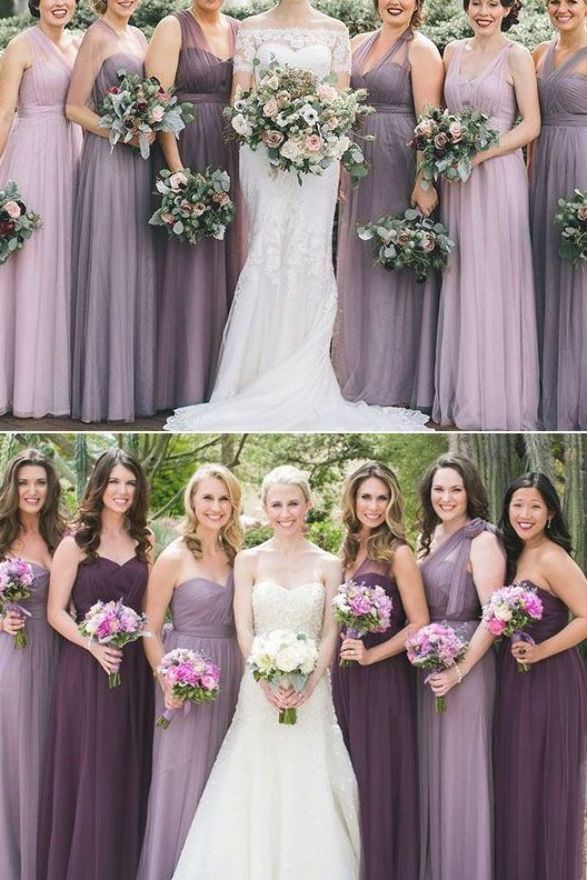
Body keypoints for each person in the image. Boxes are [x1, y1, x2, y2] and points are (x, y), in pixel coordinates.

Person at [164, 0, 431, 432]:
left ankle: (305, 372)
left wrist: (315, 135)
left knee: (308, 256)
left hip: (319, 157)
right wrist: (269, 128)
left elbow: (343, 104)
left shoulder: (336, 29)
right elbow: (239, 100)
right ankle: (253, 374)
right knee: (267, 252)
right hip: (261, 154)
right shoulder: (251, 28)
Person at [172, 466, 360, 879]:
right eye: (277, 504)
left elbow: (331, 632)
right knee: (254, 776)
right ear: (265, 507)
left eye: (294, 503)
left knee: (307, 778)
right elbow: (244, 628)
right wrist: (262, 679)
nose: (285, 512)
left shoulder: (329, 564)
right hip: (260, 692)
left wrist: (310, 685)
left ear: (308, 506)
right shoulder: (248, 560)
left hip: (312, 694)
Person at [38, 450, 154, 880]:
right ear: (99, 486)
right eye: (114, 482)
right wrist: (93, 645)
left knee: (125, 764)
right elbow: (55, 612)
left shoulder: (144, 542)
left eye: (130, 483)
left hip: (134, 669)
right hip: (87, 666)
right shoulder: (76, 542)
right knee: (92, 766)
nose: (122, 491)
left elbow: (151, 609)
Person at [433, 0, 540, 430]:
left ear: (507, 9)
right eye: (476, 2)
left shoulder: (516, 55)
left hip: (498, 178)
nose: (483, 11)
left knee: (497, 281)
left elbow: (531, 124)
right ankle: (466, 395)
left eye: (493, 3)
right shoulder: (452, 52)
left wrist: (483, 154)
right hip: (457, 181)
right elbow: (441, 117)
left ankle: (498, 400)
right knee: (463, 279)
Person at [333, 0, 443, 412]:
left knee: (393, 268)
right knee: (360, 268)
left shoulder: (421, 49)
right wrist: (341, 167)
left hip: (399, 163)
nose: (395, 2)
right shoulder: (357, 42)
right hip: (361, 166)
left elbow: (428, 121)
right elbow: (342, 113)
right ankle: (357, 372)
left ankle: (395, 380)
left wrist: (425, 180)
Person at [137, 464, 244, 880]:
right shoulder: (174, 556)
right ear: (193, 502)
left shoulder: (239, 555)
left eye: (224, 498)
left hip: (232, 674)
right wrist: (167, 680)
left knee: (223, 778)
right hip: (187, 675)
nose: (216, 507)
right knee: (179, 777)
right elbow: (150, 624)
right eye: (208, 498)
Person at [331, 462, 429, 880]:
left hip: (383, 678)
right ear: (352, 500)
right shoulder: (347, 550)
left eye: (382, 497)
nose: (373, 506)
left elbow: (419, 621)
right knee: (349, 775)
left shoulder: (399, 553)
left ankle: (386, 868)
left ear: (393, 502)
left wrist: (373, 655)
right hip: (346, 677)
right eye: (366, 496)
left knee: (378, 776)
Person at [147, 0, 243, 411]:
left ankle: (220, 382)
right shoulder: (172, 27)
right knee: (188, 269)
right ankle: (182, 385)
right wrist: (176, 171)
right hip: (185, 153)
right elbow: (158, 103)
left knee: (227, 263)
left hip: (229, 154)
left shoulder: (240, 30)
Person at [494, 472, 587, 880]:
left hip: (550, 679)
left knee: (544, 781)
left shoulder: (552, 557)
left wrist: (541, 651)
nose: (524, 514)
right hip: (514, 678)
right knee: (517, 781)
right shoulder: (512, 555)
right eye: (517, 504)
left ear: (550, 512)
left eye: (534, 506)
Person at [67, 0, 156, 423]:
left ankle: (132, 390)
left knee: (135, 267)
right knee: (110, 265)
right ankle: (101, 394)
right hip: (107, 160)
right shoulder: (96, 35)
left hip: (138, 164)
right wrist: (118, 131)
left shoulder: (138, 36)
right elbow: (74, 107)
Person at [417, 454, 506, 880]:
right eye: (438, 488)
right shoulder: (429, 534)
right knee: (432, 770)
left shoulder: (483, 539)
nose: (446, 497)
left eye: (455, 489)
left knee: (462, 772)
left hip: (466, 666)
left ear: (470, 491)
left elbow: (495, 615)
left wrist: (459, 671)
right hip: (427, 664)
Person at [0, 0, 81, 418]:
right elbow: (3, 113)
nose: (60, 3)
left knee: (64, 265)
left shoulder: (78, 44)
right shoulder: (20, 47)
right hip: (30, 160)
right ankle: (22, 383)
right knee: (30, 265)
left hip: (72, 158)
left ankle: (57, 382)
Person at [0, 450, 66, 880]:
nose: (32, 491)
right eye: (24, 483)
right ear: (12, 487)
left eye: (40, 482)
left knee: (49, 753)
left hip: (60, 656)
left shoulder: (63, 537)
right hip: (15, 658)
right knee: (17, 754)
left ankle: (48, 859)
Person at [530, 0, 587, 429]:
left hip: (581, 170)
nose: (562, 8)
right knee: (544, 275)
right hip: (542, 173)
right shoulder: (536, 54)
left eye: (572, 0)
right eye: (555, 1)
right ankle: (544, 393)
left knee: (577, 283)